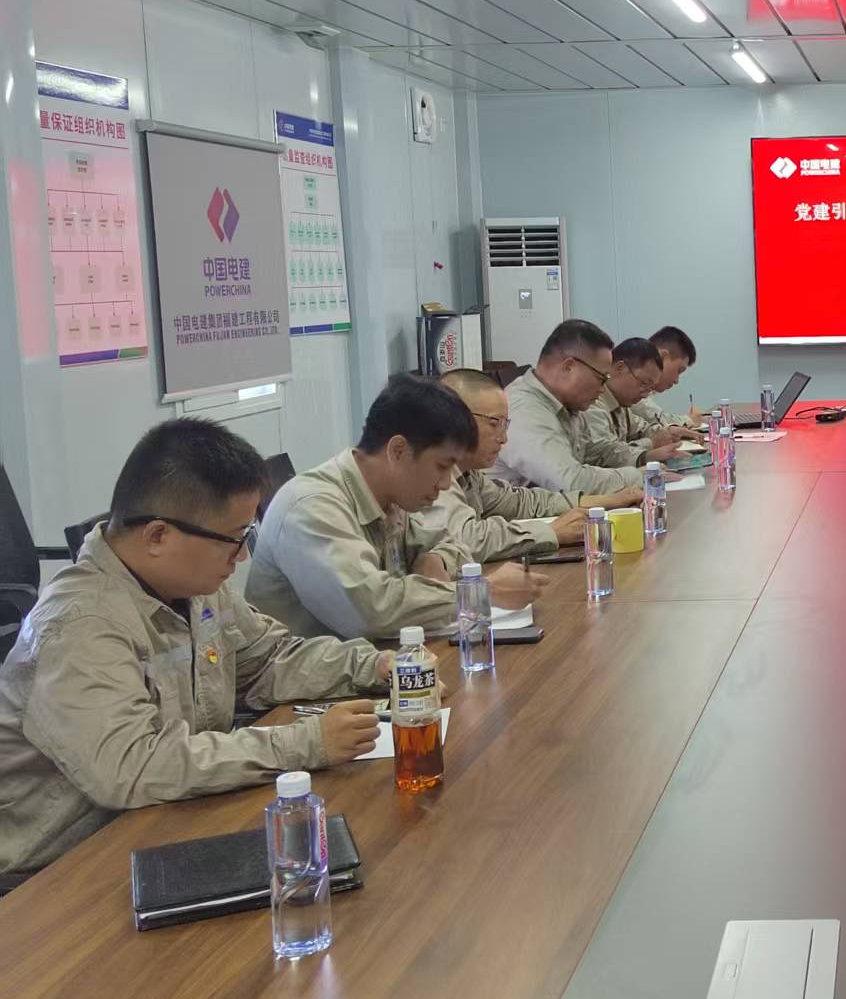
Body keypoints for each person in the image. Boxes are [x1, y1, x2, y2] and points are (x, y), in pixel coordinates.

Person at [0, 419, 391, 886]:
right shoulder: (78, 626)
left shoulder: (195, 586)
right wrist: (304, 743)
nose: (241, 556)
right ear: (158, 536)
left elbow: (268, 661)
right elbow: (133, 768)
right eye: (233, 538)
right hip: (57, 874)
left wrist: (373, 665)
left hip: (167, 823)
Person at [249, 374, 542, 641]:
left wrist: (436, 559)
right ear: (398, 450)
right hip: (322, 680)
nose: (444, 484)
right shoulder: (312, 507)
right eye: (442, 467)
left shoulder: (390, 495)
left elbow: (451, 542)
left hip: (376, 663)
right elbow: (371, 611)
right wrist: (479, 593)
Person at [424, 368, 623, 563]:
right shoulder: (431, 472)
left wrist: (600, 501)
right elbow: (467, 539)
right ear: (454, 420)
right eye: (494, 423)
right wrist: (551, 531)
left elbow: (517, 502)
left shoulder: (469, 473)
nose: (503, 438)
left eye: (505, 424)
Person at [493, 319, 646, 495]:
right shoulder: (525, 409)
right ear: (569, 367)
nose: (602, 389)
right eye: (601, 378)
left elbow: (595, 453)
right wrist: (638, 476)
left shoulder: (566, 404)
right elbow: (570, 483)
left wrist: (645, 458)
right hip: (518, 513)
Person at [578, 337, 690, 468]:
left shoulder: (621, 404)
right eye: (644, 384)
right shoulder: (592, 402)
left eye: (650, 388)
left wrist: (666, 432)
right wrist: (648, 450)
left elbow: (642, 428)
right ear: (620, 368)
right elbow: (604, 454)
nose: (645, 394)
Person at [633, 326, 705, 440]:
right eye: (679, 371)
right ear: (662, 357)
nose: (676, 380)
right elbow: (658, 418)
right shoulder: (632, 385)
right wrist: (690, 420)